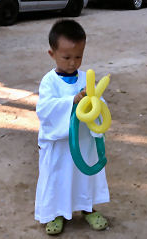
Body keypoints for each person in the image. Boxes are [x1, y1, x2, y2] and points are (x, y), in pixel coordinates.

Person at [35, 19, 110, 235]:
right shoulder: (49, 82)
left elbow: (99, 105)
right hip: (61, 145)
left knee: (85, 176)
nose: (72, 63)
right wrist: (72, 102)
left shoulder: (87, 78)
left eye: (79, 56)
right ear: (52, 54)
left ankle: (88, 209)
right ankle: (56, 213)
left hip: (84, 142)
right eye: (66, 57)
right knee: (58, 177)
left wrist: (96, 105)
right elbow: (46, 110)